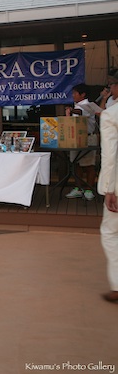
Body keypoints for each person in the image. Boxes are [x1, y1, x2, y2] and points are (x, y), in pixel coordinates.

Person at [97, 102, 118, 304]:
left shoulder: (111, 114)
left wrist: (109, 188)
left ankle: (117, 285)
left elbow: (110, 155)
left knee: (111, 232)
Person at [65, 84, 98, 201]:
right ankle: (78, 188)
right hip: (75, 138)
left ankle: (89, 189)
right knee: (76, 164)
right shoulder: (77, 105)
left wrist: (71, 110)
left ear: (83, 94)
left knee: (89, 165)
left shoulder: (88, 105)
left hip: (88, 138)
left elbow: (80, 112)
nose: (73, 95)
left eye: (75, 93)